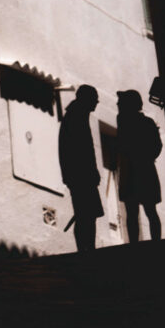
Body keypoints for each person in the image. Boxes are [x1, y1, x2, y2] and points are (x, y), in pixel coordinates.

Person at [59, 84, 103, 252]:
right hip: (81, 176)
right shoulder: (76, 116)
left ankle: (85, 248)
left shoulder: (76, 115)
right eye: (94, 99)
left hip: (79, 175)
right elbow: (81, 150)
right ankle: (86, 249)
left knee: (85, 214)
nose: (97, 103)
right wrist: (91, 172)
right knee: (87, 215)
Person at [117, 89, 163, 242]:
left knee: (141, 211)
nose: (118, 104)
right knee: (144, 211)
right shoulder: (142, 122)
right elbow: (157, 146)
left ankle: (138, 243)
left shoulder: (132, 122)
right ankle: (148, 241)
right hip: (142, 170)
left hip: (138, 171)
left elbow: (156, 146)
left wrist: (143, 158)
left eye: (121, 102)